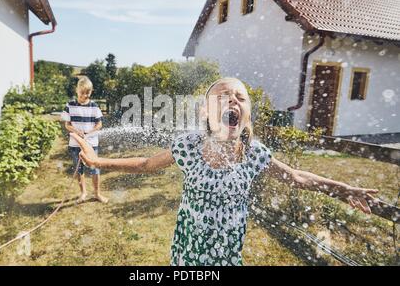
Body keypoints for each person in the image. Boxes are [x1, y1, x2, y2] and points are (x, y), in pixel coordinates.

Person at [70, 77, 378, 266]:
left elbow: (297, 177)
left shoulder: (254, 154)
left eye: (240, 97)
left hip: (228, 255)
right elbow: (145, 164)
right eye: (223, 97)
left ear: (246, 113)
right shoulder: (189, 146)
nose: (233, 99)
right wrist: (97, 163)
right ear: (205, 112)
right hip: (189, 249)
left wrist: (343, 189)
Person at [62, 76, 108, 204]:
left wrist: (89, 132)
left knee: (95, 168)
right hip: (75, 143)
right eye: (82, 92)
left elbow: (99, 124)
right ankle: (83, 193)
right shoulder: (70, 105)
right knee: (79, 169)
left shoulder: (94, 106)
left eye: (88, 92)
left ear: (91, 91)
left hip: (91, 143)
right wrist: (76, 131)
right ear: (77, 90)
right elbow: (67, 125)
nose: (85, 95)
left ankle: (97, 193)